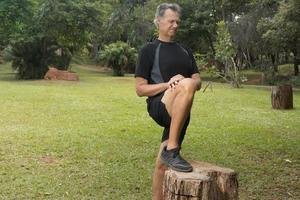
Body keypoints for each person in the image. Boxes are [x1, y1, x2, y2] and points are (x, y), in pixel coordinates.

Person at [135, 3, 201, 200]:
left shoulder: (185, 51)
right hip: (159, 105)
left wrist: (187, 83)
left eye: (177, 22)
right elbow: (140, 89)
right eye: (171, 21)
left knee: (162, 165)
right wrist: (169, 84)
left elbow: (197, 80)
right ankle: (172, 149)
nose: (175, 25)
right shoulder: (148, 50)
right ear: (158, 21)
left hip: (181, 111)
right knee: (186, 83)